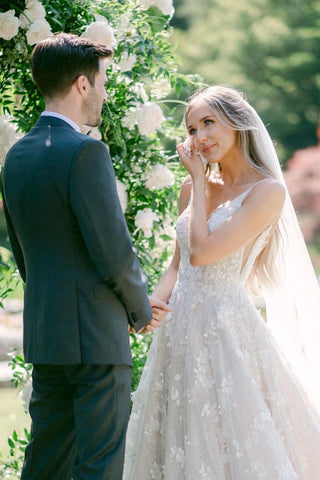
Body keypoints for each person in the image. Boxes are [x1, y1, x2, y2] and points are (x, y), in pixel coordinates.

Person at [123, 85, 320, 480]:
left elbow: (203, 253)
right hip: (178, 332)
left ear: (238, 123)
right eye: (192, 129)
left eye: (208, 123)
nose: (199, 137)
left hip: (226, 330)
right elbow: (178, 266)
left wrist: (198, 183)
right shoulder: (191, 188)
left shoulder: (267, 191)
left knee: (229, 442)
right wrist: (148, 308)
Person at [1, 33, 169, 480]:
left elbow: (24, 253)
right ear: (81, 85)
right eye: (101, 82)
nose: (104, 92)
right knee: (99, 465)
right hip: (96, 336)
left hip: (47, 333)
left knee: (45, 463)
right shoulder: (86, 152)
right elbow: (113, 250)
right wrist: (138, 309)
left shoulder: (15, 156)